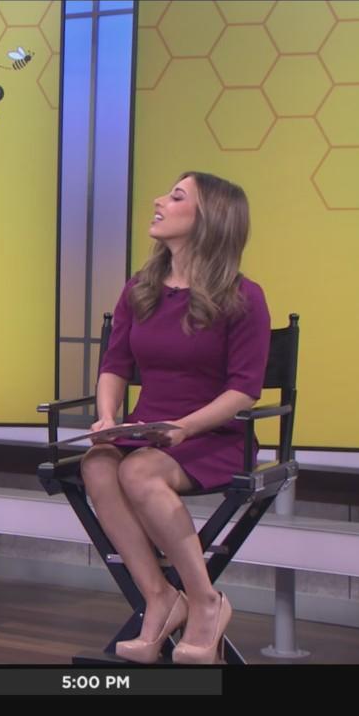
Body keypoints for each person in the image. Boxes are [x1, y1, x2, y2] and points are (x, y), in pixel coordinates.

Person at [81, 171, 270, 664]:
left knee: (138, 471)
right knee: (97, 464)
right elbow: (114, 365)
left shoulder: (244, 297)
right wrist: (107, 416)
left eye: (176, 196)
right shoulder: (140, 290)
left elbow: (244, 391)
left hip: (216, 435)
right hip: (148, 431)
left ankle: (206, 601)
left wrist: (185, 427)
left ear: (209, 219)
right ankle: (161, 597)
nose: (159, 200)